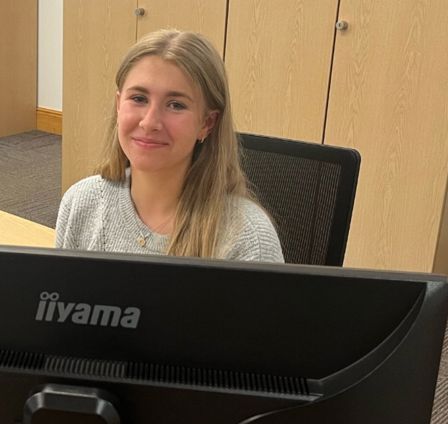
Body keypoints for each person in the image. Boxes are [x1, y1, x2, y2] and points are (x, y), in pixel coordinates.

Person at [56, 29, 284, 263]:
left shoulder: (247, 238)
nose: (149, 122)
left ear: (207, 123)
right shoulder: (81, 203)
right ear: (118, 105)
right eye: (138, 99)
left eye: (175, 105)